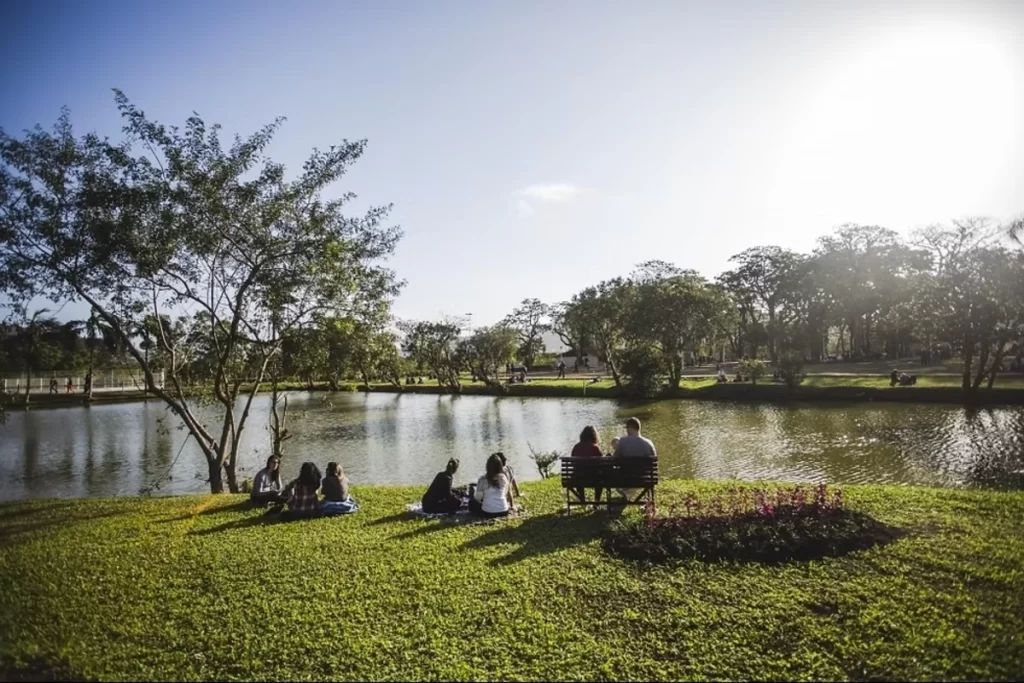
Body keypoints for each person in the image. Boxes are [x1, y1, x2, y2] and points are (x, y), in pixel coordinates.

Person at [613, 417, 657, 502]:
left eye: (627, 428)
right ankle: (649, 500)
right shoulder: (649, 443)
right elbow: (654, 462)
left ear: (629, 428)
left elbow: (615, 460)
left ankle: (626, 493)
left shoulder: (622, 441)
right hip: (645, 478)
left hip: (626, 478)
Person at [469, 453, 516, 518]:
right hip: (504, 511)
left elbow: (478, 498)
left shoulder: (482, 479)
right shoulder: (504, 478)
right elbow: (505, 493)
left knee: (471, 503)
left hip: (488, 513)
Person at [571, 425, 605, 503]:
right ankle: (596, 501)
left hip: (578, 478)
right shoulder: (595, 448)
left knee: (578, 473)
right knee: (600, 478)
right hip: (594, 479)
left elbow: (573, 463)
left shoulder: (576, 447)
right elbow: (602, 463)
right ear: (594, 436)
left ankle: (582, 499)